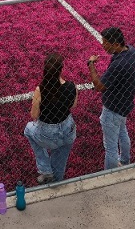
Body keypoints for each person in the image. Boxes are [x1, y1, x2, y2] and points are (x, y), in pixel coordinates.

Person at [88, 27, 135, 170]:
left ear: (116, 44)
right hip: (124, 104)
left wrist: (91, 65)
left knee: (110, 147)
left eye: (106, 43)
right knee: (123, 132)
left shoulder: (118, 64)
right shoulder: (132, 52)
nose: (103, 45)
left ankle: (109, 176)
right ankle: (125, 162)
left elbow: (99, 86)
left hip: (112, 109)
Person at [24, 52, 78, 184]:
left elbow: (34, 115)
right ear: (61, 70)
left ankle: (46, 169)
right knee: (61, 155)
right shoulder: (72, 86)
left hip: (47, 134)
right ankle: (56, 181)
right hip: (67, 129)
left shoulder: (40, 90)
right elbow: (74, 105)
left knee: (28, 129)